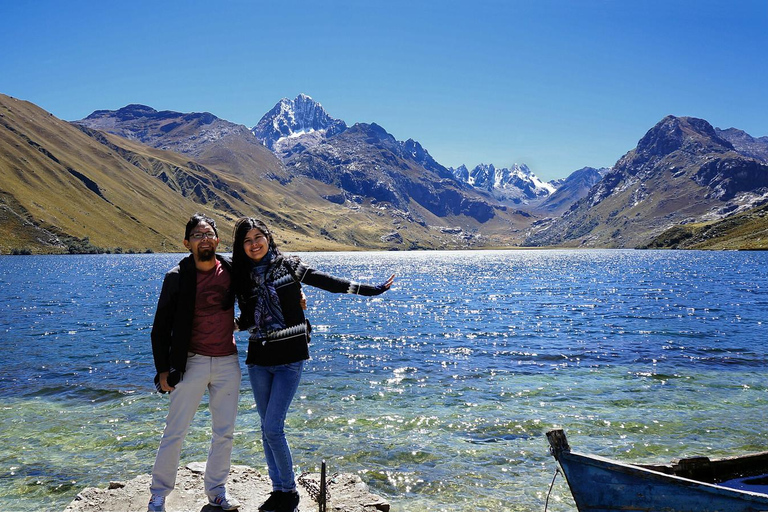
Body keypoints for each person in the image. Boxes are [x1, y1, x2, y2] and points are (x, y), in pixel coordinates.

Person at [231, 217, 394, 512]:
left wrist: (371, 290)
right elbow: (246, 318)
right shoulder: (242, 278)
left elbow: (329, 283)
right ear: (241, 246)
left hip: (290, 358)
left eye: (259, 237)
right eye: (247, 240)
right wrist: (221, 327)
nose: (254, 244)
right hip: (258, 359)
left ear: (268, 238)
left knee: (273, 427)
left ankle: (289, 492)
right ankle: (278, 488)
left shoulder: (290, 266)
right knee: (266, 428)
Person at [148, 213, 242, 512]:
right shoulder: (176, 276)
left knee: (224, 431)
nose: (205, 239)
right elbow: (161, 326)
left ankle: (216, 491)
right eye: (198, 235)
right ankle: (159, 493)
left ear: (218, 239)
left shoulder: (231, 269)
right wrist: (163, 369)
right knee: (175, 430)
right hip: (191, 361)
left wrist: (298, 298)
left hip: (228, 361)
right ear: (187, 243)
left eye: (209, 234)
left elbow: (261, 295)